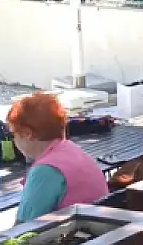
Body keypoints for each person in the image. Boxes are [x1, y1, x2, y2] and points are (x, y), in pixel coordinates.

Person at [8, 92, 109, 222]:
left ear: (28, 134)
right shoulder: (70, 149)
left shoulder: (45, 170)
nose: (13, 140)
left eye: (13, 135)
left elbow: (23, 227)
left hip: (79, 237)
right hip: (99, 231)